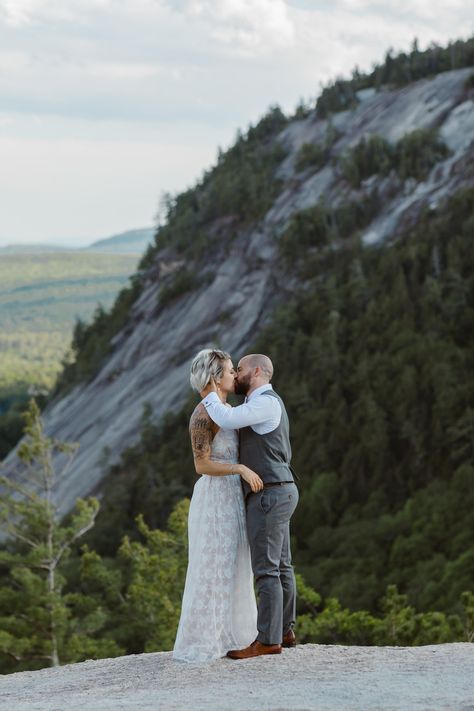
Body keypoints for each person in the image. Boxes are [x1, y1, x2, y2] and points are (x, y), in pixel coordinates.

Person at [200, 353, 299, 659]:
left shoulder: (265, 402)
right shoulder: (262, 403)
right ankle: (284, 630)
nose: (237, 374)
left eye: (240, 370)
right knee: (281, 566)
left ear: (256, 371)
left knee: (267, 570)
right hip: (278, 490)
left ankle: (269, 640)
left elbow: (226, 419)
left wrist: (207, 393)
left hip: (269, 493)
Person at [173, 349, 262, 663]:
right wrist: (239, 469)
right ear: (214, 377)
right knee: (213, 567)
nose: (233, 376)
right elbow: (202, 465)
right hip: (214, 499)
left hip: (233, 499)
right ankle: (206, 638)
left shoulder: (226, 408)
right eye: (228, 371)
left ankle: (237, 634)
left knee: (236, 564)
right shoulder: (203, 413)